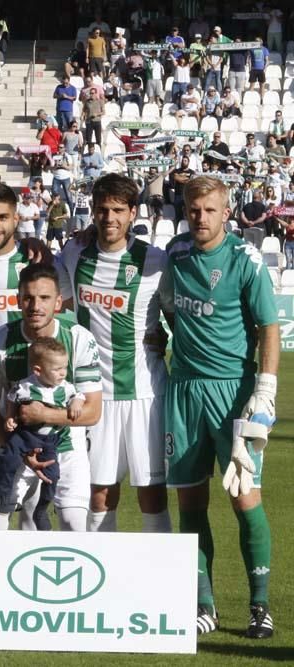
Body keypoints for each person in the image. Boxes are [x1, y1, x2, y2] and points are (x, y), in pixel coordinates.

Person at [160, 176, 279, 638]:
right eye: (193, 209)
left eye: (210, 210)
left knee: (245, 499)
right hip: (184, 391)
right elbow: (168, 307)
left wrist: (264, 389)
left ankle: (259, 605)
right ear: (185, 210)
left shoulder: (244, 260)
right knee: (191, 501)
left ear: (226, 212)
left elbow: (269, 327)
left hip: (234, 394)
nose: (201, 218)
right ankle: (202, 604)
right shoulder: (174, 254)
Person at [58, 173, 175, 534]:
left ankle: (157, 580)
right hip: (94, 395)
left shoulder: (155, 262)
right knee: (99, 495)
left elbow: (175, 317)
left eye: (118, 210)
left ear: (133, 213)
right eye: (102, 210)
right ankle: (99, 582)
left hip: (144, 393)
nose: (109, 218)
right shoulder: (74, 253)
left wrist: (165, 341)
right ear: (92, 212)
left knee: (151, 494)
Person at [0, 263, 102, 532]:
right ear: (17, 300)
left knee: (73, 523)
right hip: (15, 443)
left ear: (58, 302)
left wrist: (43, 415)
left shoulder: (79, 338)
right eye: (29, 298)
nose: (36, 305)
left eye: (44, 298)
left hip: (66, 445)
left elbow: (92, 411)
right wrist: (18, 448)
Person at [1, 338, 85, 530]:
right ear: (38, 370)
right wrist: (10, 417)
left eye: (65, 367)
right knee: (9, 457)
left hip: (50, 441)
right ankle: (4, 496)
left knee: (52, 476)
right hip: (25, 437)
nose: (63, 373)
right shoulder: (25, 386)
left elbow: (79, 396)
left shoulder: (66, 387)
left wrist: (76, 403)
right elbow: (11, 399)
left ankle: (42, 509)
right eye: (57, 369)